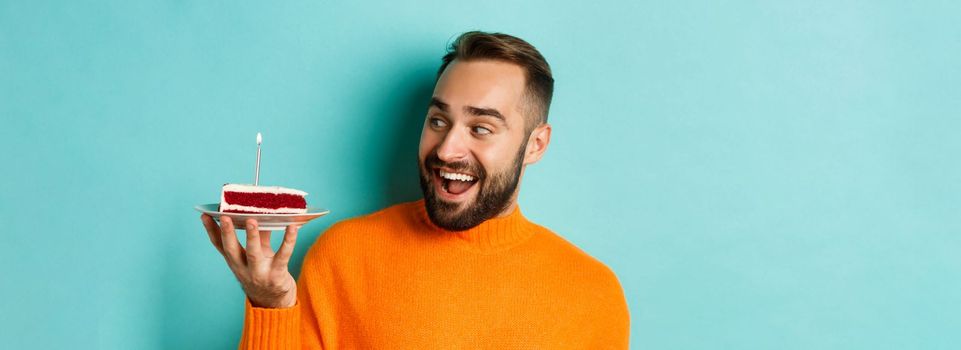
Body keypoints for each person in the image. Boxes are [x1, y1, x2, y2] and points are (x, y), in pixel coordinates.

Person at [201, 31, 630, 349]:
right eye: (439, 121)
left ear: (535, 145)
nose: (447, 148)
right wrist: (271, 306)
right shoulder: (344, 255)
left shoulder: (592, 294)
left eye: (481, 128)